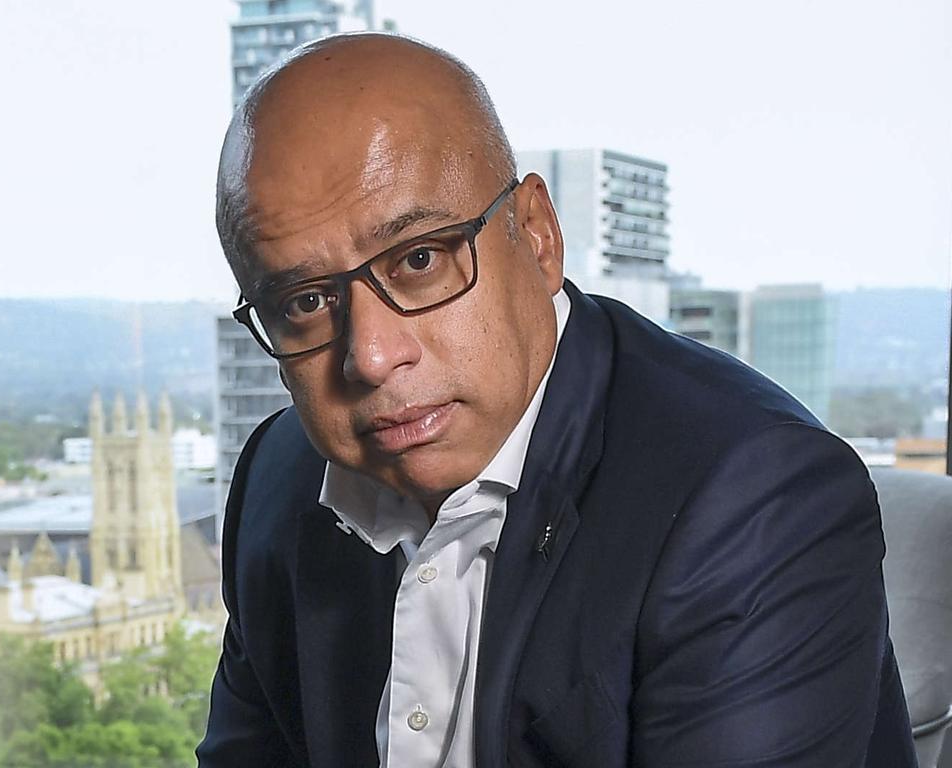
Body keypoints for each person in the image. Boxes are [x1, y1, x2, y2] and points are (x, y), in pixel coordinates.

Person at [197, 32, 916, 768]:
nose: (374, 356)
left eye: (419, 259)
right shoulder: (277, 482)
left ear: (537, 236)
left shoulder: (759, 501)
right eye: (306, 300)